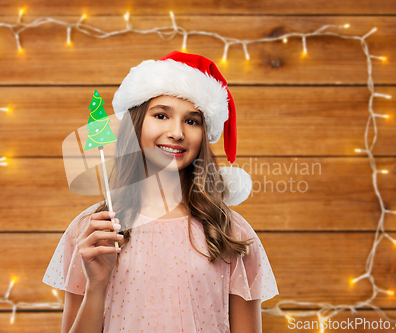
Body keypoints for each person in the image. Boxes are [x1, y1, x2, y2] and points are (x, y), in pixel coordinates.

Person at [43, 51, 279, 333]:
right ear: (136, 123)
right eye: (161, 115)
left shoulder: (230, 231)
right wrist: (96, 285)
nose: (176, 132)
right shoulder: (93, 230)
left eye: (192, 121)